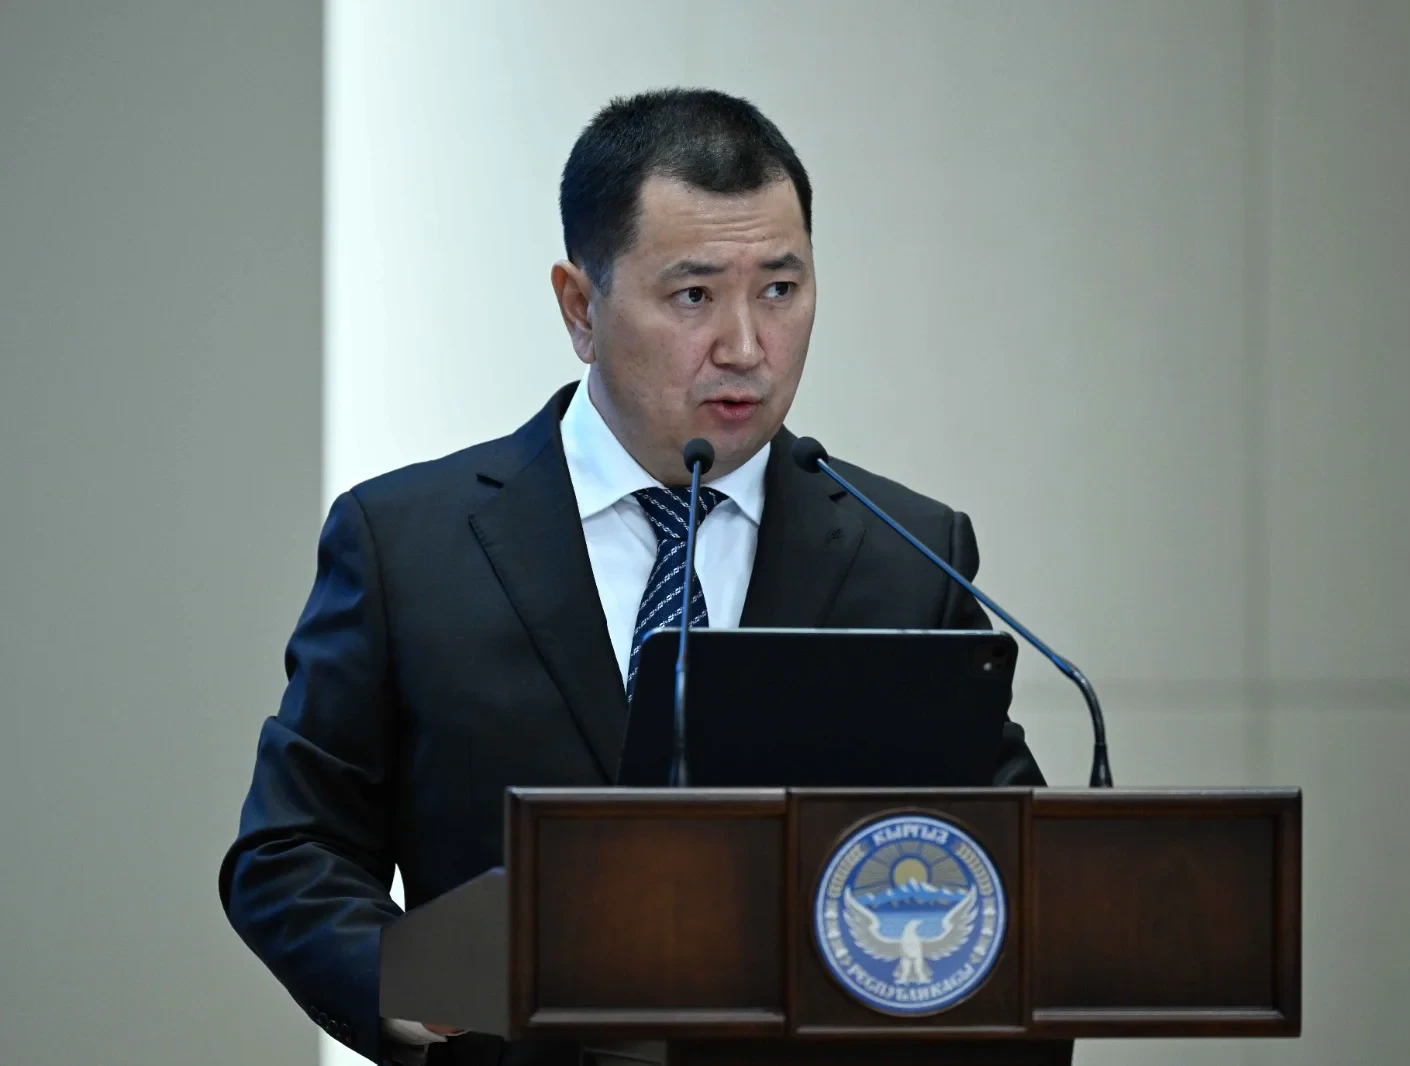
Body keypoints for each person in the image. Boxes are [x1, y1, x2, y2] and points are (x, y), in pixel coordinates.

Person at [219, 88, 1046, 1066]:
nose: (746, 346)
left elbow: (1011, 874)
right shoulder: (405, 543)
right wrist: (419, 985)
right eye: (694, 296)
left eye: (780, 289)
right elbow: (292, 851)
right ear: (581, 306)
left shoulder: (904, 553)